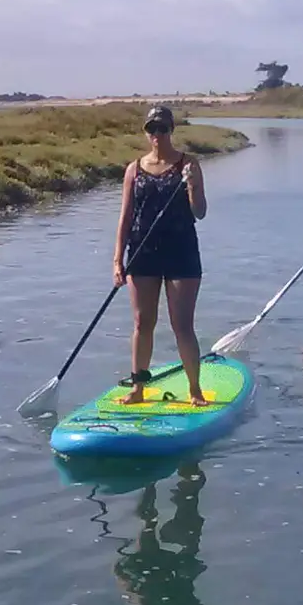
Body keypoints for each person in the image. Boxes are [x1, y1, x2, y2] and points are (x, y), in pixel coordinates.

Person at [113, 104, 209, 405]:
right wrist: (118, 259)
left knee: (182, 324)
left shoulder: (188, 164)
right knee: (143, 323)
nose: (157, 134)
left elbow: (200, 212)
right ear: (146, 132)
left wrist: (192, 184)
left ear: (171, 130)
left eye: (163, 128)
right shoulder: (134, 169)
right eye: (151, 129)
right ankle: (138, 388)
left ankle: (195, 390)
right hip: (143, 253)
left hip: (181, 252)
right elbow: (126, 217)